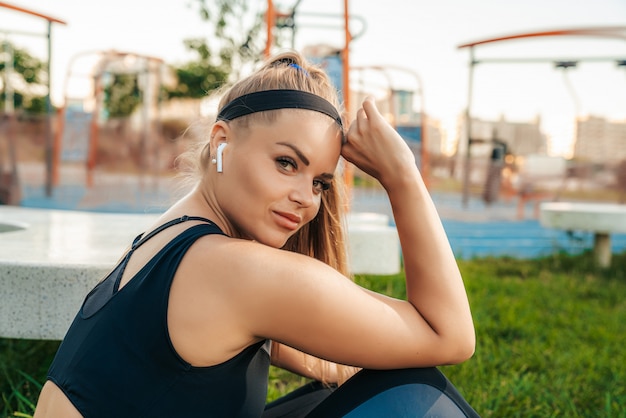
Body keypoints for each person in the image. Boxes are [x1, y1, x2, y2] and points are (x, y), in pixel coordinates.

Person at [34, 50, 477, 418]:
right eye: (287, 163)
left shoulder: (168, 235)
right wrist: (403, 176)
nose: (307, 198)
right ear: (222, 142)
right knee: (419, 396)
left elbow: (332, 363)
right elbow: (449, 335)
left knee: (352, 389)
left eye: (320, 182)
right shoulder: (236, 271)